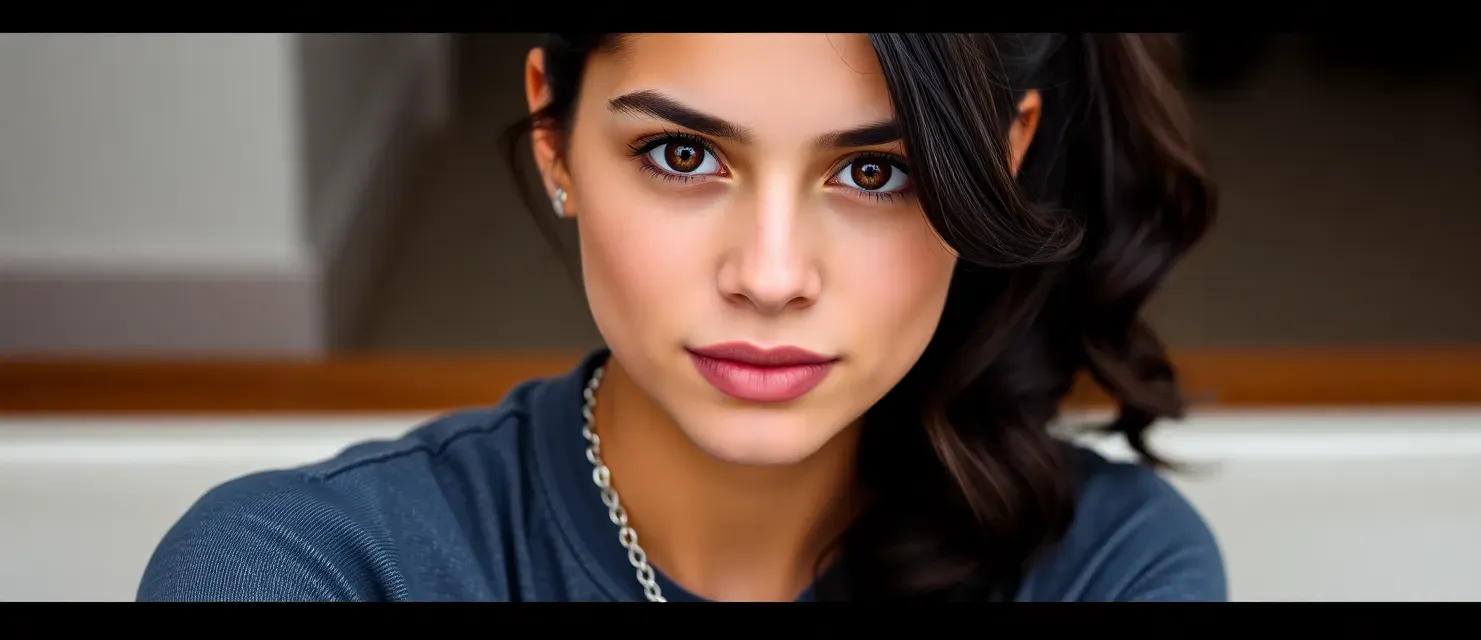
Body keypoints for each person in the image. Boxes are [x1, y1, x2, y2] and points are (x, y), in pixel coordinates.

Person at [137, 33, 1224, 602]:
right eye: (683, 155)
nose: (769, 273)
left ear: (1007, 154)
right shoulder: (300, 569)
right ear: (555, 139)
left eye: (876, 171)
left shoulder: (1111, 567)